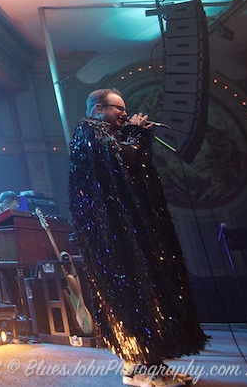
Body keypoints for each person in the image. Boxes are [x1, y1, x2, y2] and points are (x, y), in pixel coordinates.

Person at [69, 88, 207, 387]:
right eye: (117, 109)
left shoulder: (112, 135)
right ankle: (144, 367)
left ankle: (146, 364)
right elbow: (122, 160)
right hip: (114, 234)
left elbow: (134, 169)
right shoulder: (89, 131)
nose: (124, 113)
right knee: (134, 294)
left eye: (124, 109)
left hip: (129, 228)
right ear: (97, 109)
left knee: (148, 295)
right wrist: (137, 134)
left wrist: (135, 136)